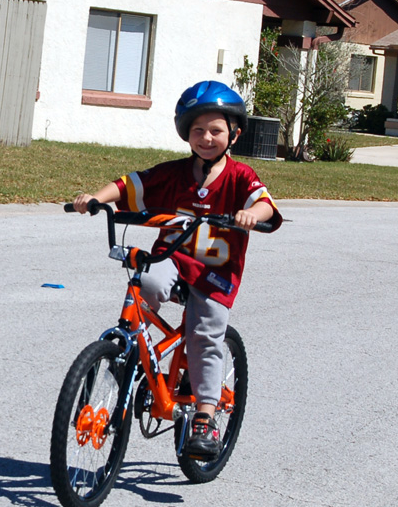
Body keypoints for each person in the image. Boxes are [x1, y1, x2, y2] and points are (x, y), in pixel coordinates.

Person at [71, 80, 282, 459]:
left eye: (216, 130)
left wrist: (252, 214)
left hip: (215, 271)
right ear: (186, 133)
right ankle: (130, 355)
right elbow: (131, 184)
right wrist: (95, 200)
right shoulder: (174, 173)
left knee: (205, 334)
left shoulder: (239, 177)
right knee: (145, 282)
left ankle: (204, 413)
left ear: (233, 134)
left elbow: (263, 202)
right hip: (171, 257)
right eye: (197, 130)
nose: (206, 137)